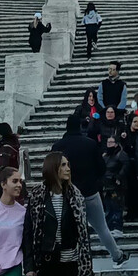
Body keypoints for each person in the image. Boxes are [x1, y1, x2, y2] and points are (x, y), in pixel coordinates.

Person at [24, 150, 99, 276]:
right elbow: (28, 233)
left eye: (68, 165)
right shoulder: (37, 195)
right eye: (63, 165)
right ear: (53, 168)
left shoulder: (76, 195)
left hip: (69, 264)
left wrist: (85, 265)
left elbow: (83, 233)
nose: (68, 168)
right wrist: (29, 267)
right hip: (46, 264)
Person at [51, 114, 128, 266]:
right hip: (90, 192)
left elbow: (53, 171)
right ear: (80, 126)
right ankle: (117, 256)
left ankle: (75, 264)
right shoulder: (90, 144)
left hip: (68, 194)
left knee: (72, 232)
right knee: (102, 228)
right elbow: (101, 167)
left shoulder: (58, 147)